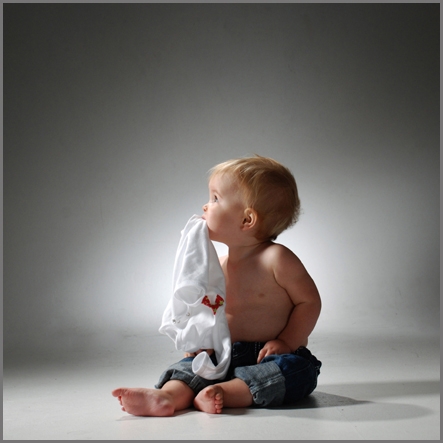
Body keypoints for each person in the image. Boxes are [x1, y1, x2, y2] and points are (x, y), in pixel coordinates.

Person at [112, 155, 322, 416]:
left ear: (247, 220)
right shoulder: (216, 266)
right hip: (224, 351)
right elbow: (209, 311)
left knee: (296, 370)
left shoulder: (277, 259)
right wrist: (201, 341)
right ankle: (168, 396)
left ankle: (225, 392)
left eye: (215, 198)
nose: (205, 205)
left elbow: (309, 302)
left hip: (271, 354)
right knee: (194, 366)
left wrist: (287, 341)